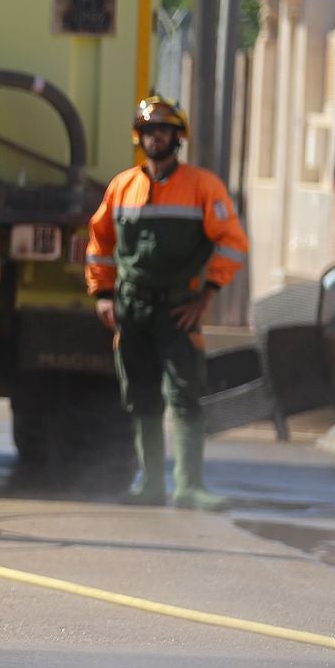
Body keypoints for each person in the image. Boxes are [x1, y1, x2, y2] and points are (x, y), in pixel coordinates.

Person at [85, 96, 247, 510]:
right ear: (139, 138)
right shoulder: (122, 187)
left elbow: (232, 243)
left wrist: (207, 294)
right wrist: (103, 294)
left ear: (178, 137)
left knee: (184, 393)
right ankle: (151, 484)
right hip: (132, 309)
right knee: (140, 395)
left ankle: (189, 486)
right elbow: (100, 243)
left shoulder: (202, 187)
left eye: (164, 130)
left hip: (178, 309)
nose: (156, 136)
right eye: (148, 130)